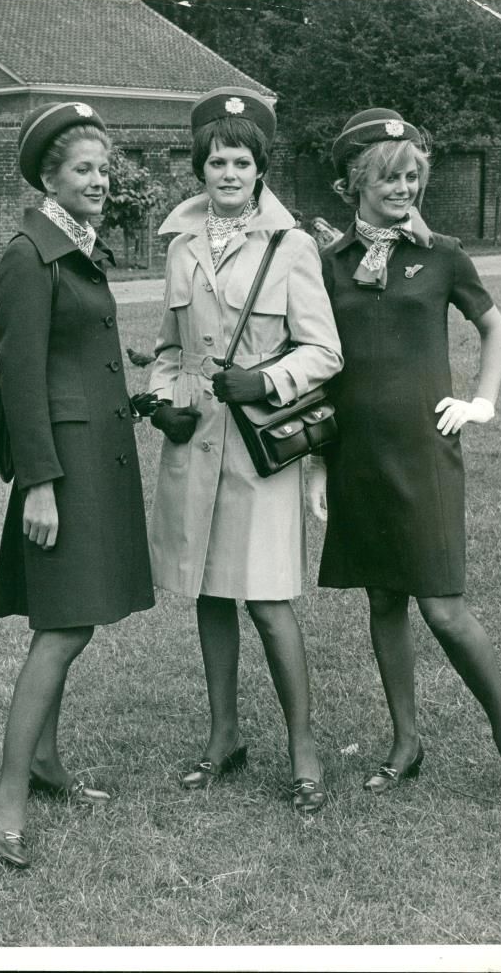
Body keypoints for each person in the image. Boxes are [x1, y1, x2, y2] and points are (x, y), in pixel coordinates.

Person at [307, 108, 501, 806]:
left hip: (423, 451)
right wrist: (317, 462)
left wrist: (482, 400)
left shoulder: (442, 254)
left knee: (442, 609)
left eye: (412, 175)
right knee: (383, 597)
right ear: (356, 181)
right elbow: (321, 366)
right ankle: (404, 740)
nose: (403, 186)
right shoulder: (328, 265)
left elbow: (493, 325)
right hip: (356, 454)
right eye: (389, 176)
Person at [0, 102, 154, 868]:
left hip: (94, 456)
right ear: (48, 176)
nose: (99, 181)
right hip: (63, 471)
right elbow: (21, 377)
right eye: (83, 169)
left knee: (70, 620)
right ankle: (2, 804)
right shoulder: (28, 253)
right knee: (64, 627)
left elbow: (76, 356)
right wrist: (39, 485)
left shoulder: (76, 246)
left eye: (104, 169)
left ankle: (43, 766)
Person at [147, 87, 343, 814]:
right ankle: (223, 736)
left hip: (260, 445)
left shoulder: (291, 247)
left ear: (260, 169)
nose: (226, 173)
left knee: (266, 599)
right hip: (195, 442)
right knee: (207, 591)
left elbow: (324, 351)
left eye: (240, 161)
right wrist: (167, 397)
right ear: (199, 168)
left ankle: (302, 748)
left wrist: (263, 376)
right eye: (214, 161)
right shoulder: (180, 245)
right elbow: (170, 347)